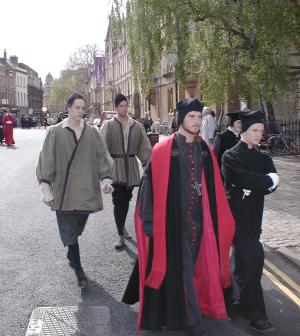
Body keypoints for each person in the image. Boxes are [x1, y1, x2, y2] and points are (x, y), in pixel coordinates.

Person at [123, 98, 235, 335]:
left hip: (199, 223)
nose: (196, 122)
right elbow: (148, 190)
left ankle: (181, 310)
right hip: (173, 224)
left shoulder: (204, 149)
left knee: (194, 268)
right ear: (181, 119)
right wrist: (151, 224)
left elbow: (214, 187)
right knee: (182, 270)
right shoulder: (163, 150)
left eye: (198, 117)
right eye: (191, 117)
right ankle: (192, 321)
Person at [36, 93, 114, 288]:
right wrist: (46, 188)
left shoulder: (92, 132)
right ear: (68, 108)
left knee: (76, 229)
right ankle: (79, 270)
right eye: (77, 107)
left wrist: (105, 179)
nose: (81, 111)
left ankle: (72, 253)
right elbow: (46, 159)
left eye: (83, 108)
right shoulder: (55, 132)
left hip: (87, 191)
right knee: (70, 232)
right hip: (64, 191)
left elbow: (102, 157)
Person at [222, 110, 279, 332]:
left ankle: (240, 303)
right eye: (255, 130)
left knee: (243, 262)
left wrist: (253, 186)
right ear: (243, 130)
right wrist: (260, 183)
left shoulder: (264, 158)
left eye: (261, 131)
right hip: (235, 217)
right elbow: (242, 178)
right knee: (253, 258)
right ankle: (257, 313)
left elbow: (273, 183)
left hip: (255, 216)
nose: (259, 135)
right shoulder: (229, 156)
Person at [101, 93, 152, 249]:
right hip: (115, 168)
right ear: (116, 108)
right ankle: (120, 235)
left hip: (130, 167)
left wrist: (148, 165)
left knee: (127, 199)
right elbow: (102, 148)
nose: (124, 108)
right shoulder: (108, 125)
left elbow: (144, 147)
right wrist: (104, 173)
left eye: (125, 105)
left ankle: (122, 226)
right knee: (118, 201)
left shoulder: (137, 126)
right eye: (121, 106)